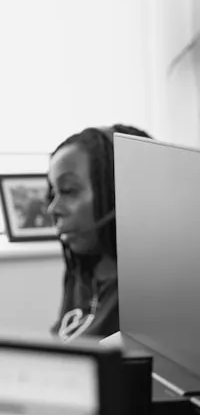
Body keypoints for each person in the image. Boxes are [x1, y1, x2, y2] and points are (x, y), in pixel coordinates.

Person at [46, 124, 152, 342]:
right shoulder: (81, 271)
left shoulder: (157, 292)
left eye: (68, 190)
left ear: (118, 191)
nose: (53, 208)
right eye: (53, 194)